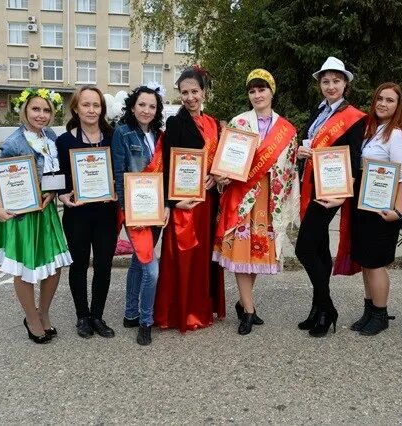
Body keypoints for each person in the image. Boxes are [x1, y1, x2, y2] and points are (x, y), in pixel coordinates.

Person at [213, 69, 299, 335]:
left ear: (272, 92)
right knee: (241, 252)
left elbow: (290, 167)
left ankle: (243, 302)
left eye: (262, 89)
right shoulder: (238, 124)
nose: (257, 95)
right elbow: (224, 161)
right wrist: (222, 176)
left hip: (269, 199)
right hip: (242, 197)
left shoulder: (288, 130)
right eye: (252, 91)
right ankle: (249, 310)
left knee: (259, 253)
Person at [0, 87, 72, 343]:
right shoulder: (15, 142)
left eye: (46, 110)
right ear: (25, 110)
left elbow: (53, 175)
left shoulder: (51, 137)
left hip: (45, 212)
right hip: (22, 213)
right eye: (36, 109)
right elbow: (1, 177)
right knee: (24, 269)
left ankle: (43, 312)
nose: (41, 115)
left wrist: (54, 194)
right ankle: (31, 317)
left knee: (55, 267)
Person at [295, 57, 366, 337]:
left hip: (332, 190)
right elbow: (310, 143)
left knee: (303, 248)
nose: (331, 86)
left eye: (336, 80)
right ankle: (317, 309)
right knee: (320, 248)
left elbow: (356, 156)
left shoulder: (355, 118)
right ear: (320, 85)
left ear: (345, 83)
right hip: (311, 183)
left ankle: (327, 307)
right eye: (326, 81)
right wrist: (303, 153)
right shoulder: (319, 110)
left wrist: (344, 194)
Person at [154, 67, 225, 332]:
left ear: (204, 92)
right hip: (184, 202)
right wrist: (171, 202)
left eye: (194, 91)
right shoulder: (174, 123)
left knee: (204, 255)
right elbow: (167, 166)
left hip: (208, 201)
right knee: (183, 257)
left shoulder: (214, 123)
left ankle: (202, 308)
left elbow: (220, 161)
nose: (190, 97)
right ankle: (180, 312)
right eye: (185, 92)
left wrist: (216, 176)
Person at [350, 82, 402, 336]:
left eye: (390, 100)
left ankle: (381, 313)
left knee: (376, 263)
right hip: (365, 205)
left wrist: (398, 211)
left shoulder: (399, 134)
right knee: (366, 261)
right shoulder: (372, 130)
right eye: (380, 99)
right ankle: (369, 310)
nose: (383, 104)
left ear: (398, 106)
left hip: (384, 210)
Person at [56, 85, 118, 339]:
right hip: (77, 214)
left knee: (103, 265)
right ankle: (82, 317)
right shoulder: (63, 141)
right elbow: (57, 176)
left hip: (106, 212)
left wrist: (118, 188)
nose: (91, 110)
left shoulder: (114, 137)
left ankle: (97, 316)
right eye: (86, 104)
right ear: (76, 108)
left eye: (96, 105)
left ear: (102, 109)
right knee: (79, 265)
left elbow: (123, 171)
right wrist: (62, 194)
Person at [111, 84, 167, 346]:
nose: (146, 110)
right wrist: (127, 211)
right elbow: (119, 176)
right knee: (151, 269)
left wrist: (166, 205)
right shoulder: (122, 133)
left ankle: (130, 313)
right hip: (135, 212)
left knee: (138, 261)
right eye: (142, 105)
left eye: (152, 106)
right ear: (133, 107)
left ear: (157, 111)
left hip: (155, 211)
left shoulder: (160, 135)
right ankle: (146, 321)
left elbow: (165, 176)